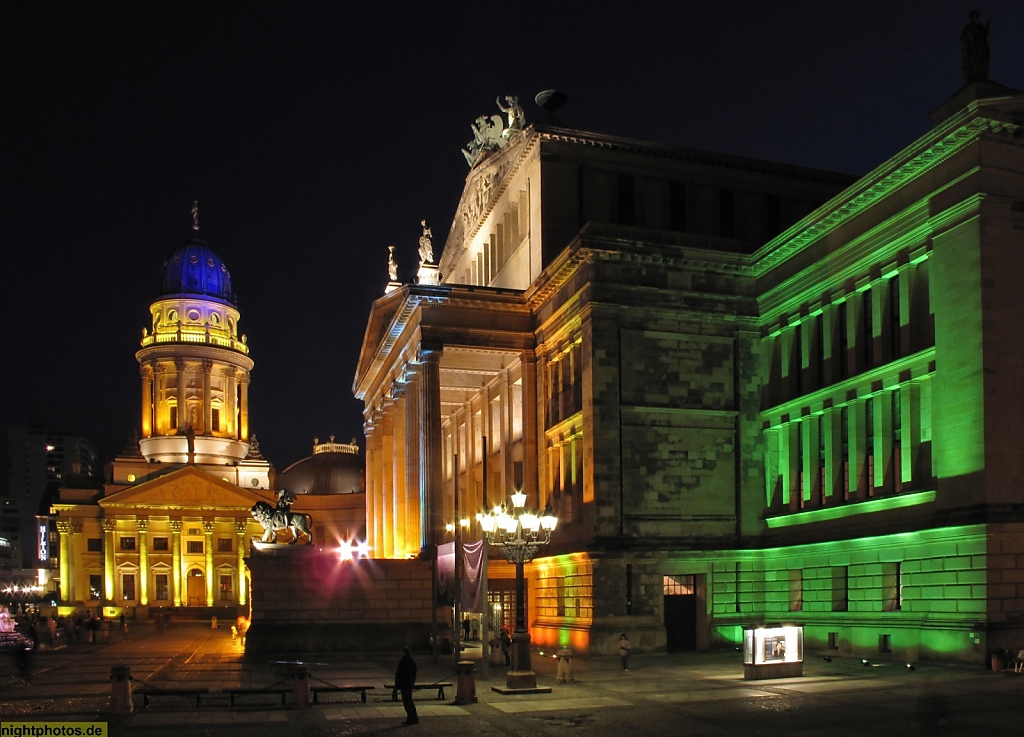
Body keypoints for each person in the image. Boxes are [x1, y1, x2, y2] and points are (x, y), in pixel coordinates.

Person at [394, 646, 419, 726]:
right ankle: (414, 717)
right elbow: (414, 673)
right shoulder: (411, 661)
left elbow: (400, 674)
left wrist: (398, 685)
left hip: (404, 684)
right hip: (409, 684)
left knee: (407, 702)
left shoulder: (404, 662)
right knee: (410, 701)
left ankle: (410, 718)